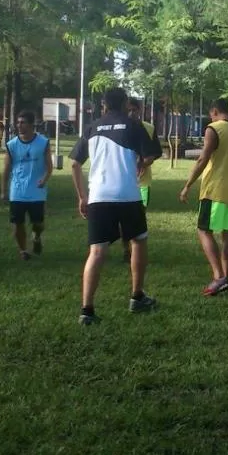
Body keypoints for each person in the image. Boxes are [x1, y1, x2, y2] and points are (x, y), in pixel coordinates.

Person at [69, 87, 162, 324]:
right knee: (138, 241)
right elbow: (152, 153)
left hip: (99, 196)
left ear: (104, 105)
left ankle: (86, 311)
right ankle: (137, 296)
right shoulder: (133, 125)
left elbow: (74, 164)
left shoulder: (91, 128)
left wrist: (82, 196)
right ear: (124, 104)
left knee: (97, 252)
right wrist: (142, 162)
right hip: (128, 194)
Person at [179, 97, 228, 297]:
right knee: (227, 234)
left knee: (204, 230)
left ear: (214, 112)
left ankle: (218, 277)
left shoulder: (213, 128)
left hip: (213, 188)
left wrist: (187, 185)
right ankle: (226, 276)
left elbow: (203, 158)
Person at [1, 110, 52, 260]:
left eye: (23, 122)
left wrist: (44, 179)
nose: (19, 125)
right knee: (17, 224)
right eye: (18, 122)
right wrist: (4, 190)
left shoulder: (43, 142)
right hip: (17, 191)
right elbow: (6, 169)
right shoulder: (12, 145)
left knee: (38, 223)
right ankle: (23, 250)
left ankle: (36, 237)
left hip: (37, 190)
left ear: (31, 125)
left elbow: (49, 166)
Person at [124, 99, 157, 261]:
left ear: (139, 110)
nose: (131, 114)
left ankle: (134, 248)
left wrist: (144, 163)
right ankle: (126, 249)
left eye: (134, 110)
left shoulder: (149, 128)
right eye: (128, 110)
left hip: (143, 182)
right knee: (124, 218)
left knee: (139, 216)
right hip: (124, 181)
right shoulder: (121, 128)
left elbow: (154, 153)